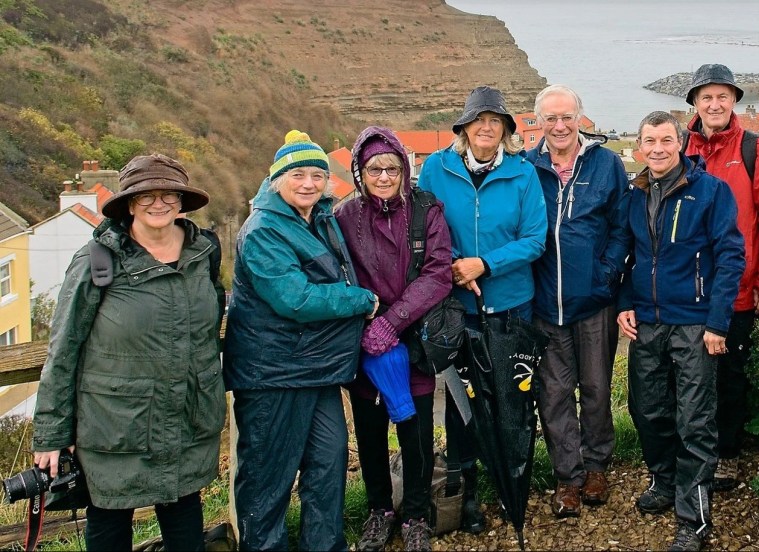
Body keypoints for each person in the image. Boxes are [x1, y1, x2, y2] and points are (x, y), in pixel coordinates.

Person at [32, 153, 225, 551]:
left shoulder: (202, 252)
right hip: (115, 427)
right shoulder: (97, 260)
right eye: (146, 195)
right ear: (129, 203)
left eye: (168, 194)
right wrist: (52, 434)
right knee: (108, 525)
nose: (159, 203)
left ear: (182, 200)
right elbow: (64, 349)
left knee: (185, 521)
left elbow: (208, 330)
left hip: (185, 418)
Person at [223, 130, 379, 551]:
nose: (309, 183)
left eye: (317, 174)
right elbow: (296, 299)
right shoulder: (263, 231)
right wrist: (362, 300)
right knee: (267, 479)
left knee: (328, 467)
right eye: (298, 174)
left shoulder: (319, 217)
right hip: (273, 374)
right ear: (276, 180)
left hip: (317, 369)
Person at [417, 85, 547, 533]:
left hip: (511, 306)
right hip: (458, 309)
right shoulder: (436, 168)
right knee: (461, 406)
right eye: (479, 120)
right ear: (464, 127)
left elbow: (534, 238)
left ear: (507, 130)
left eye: (496, 121)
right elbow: (426, 225)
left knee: (512, 400)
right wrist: (455, 264)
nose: (487, 127)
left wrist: (484, 264)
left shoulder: (522, 173)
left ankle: (512, 485)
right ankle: (466, 491)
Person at [617, 111, 745, 552]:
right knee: (648, 410)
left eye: (666, 140)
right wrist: (623, 304)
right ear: (639, 146)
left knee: (695, 420)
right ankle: (665, 481)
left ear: (681, 144)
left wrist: (717, 322)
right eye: (649, 140)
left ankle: (694, 518)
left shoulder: (710, 191)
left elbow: (730, 257)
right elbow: (627, 255)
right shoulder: (634, 194)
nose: (657, 148)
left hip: (694, 324)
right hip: (647, 321)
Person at [336, 126, 453, 552]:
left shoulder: (426, 211)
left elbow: (439, 271)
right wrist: (368, 322)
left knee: (417, 433)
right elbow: (334, 273)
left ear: (404, 169)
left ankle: (418, 514)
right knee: (369, 434)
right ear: (359, 172)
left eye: (391, 167)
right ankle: (380, 510)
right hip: (365, 346)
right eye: (373, 168)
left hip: (414, 340)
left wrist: (395, 321)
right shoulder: (344, 217)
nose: (383, 176)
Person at [524, 84, 630, 517]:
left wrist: (605, 276)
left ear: (580, 117)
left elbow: (623, 227)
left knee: (597, 388)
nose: (560, 125)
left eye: (567, 116)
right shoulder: (526, 167)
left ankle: (597, 466)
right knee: (553, 394)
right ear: (540, 122)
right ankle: (567, 477)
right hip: (545, 304)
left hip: (594, 302)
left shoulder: (606, 165)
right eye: (551, 117)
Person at [683, 64, 759, 491]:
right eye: (706, 97)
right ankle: (693, 450)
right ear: (693, 103)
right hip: (685, 290)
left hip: (737, 288)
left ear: (734, 102)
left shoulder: (755, 149)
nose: (714, 104)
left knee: (728, 376)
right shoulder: (679, 147)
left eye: (722, 96)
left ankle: (725, 454)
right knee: (688, 376)